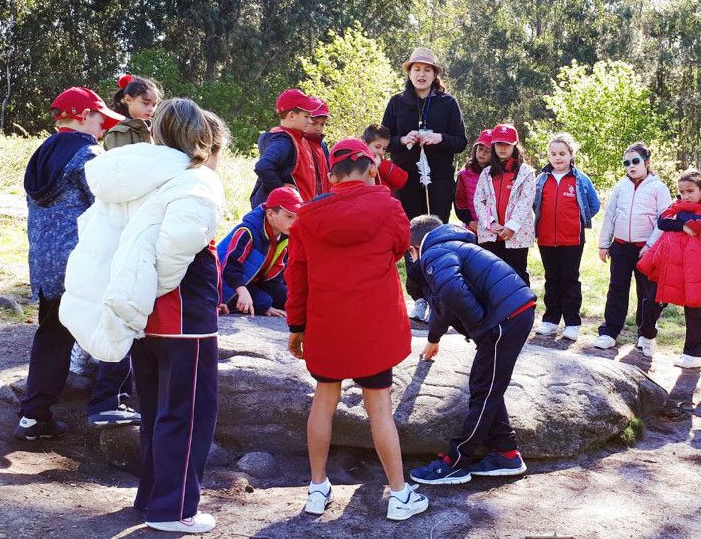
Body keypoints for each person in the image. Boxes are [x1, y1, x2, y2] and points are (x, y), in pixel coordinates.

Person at [67, 99, 229, 533]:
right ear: (204, 140)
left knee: (158, 408)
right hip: (180, 315)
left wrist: (139, 296)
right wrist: (153, 289)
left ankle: (153, 497)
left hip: (143, 314)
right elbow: (176, 247)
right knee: (189, 412)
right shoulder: (197, 182)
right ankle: (174, 511)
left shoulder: (144, 176)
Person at [285, 138, 428, 522]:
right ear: (370, 167)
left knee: (324, 400)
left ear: (331, 175)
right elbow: (399, 247)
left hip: (326, 324)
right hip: (373, 326)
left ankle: (317, 489)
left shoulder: (307, 216)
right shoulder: (388, 205)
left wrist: (296, 325)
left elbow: (296, 274)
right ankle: (399, 495)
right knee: (379, 407)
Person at [17, 86, 138, 441]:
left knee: (53, 335)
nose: (105, 128)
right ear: (84, 116)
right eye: (102, 120)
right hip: (84, 261)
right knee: (117, 320)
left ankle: (33, 418)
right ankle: (108, 402)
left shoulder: (41, 154)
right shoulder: (88, 155)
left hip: (45, 265)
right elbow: (112, 205)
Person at [406, 215, 537, 485]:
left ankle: (457, 461)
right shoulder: (450, 246)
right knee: (486, 385)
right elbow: (445, 304)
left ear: (413, 248)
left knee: (484, 391)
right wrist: (434, 338)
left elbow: (453, 292)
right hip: (514, 313)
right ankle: (506, 452)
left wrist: (479, 323)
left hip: (505, 318)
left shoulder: (434, 253)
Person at [593, 143, 673, 355]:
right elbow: (610, 216)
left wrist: (650, 245)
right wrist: (603, 243)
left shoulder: (658, 188)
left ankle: (645, 334)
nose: (631, 166)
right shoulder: (620, 187)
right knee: (617, 288)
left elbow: (664, 219)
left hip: (647, 250)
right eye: (626, 163)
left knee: (646, 294)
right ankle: (609, 332)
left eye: (635, 161)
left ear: (647, 162)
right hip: (620, 247)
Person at [637, 169, 701, 368]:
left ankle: (693, 353)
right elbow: (663, 222)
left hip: (696, 267)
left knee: (693, 307)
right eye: (682, 192)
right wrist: (682, 226)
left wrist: (680, 220)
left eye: (690, 191)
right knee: (651, 301)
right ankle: (647, 335)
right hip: (668, 263)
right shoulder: (677, 206)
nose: (685, 196)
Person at [380, 47, 468, 222]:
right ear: (409, 73)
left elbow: (461, 142)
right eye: (417, 69)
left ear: (435, 74)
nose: (422, 74)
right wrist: (403, 140)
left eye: (427, 70)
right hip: (405, 180)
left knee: (436, 232)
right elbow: (382, 142)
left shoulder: (448, 102)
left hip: (439, 182)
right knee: (407, 231)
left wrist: (440, 138)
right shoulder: (396, 102)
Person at [532, 133, 601, 341]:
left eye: (562, 153)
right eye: (553, 154)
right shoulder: (542, 179)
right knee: (551, 279)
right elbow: (534, 204)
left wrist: (577, 220)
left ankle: (572, 323)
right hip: (545, 238)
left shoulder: (580, 179)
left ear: (572, 154)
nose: (557, 157)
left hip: (572, 239)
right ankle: (550, 321)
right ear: (548, 156)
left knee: (570, 280)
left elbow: (594, 205)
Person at [216, 186, 302, 318]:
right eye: (289, 216)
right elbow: (229, 268)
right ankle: (235, 304)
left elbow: (276, 275)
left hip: (256, 282)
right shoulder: (247, 231)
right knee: (264, 302)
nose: (294, 222)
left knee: (292, 299)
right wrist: (243, 291)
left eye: (296, 217)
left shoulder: (286, 235)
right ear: (270, 214)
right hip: (230, 283)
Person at [473, 123, 537, 286]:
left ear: (515, 145)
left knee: (517, 273)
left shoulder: (526, 172)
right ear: (493, 145)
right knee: (493, 274)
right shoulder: (486, 173)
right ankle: (497, 310)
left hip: (516, 234)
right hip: (491, 234)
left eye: (507, 144)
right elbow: (479, 200)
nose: (502, 148)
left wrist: (512, 226)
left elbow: (525, 201)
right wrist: (491, 223)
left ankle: (522, 310)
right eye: (499, 144)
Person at [250, 89, 319, 207]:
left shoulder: (297, 138)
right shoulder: (283, 141)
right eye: (306, 116)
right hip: (283, 212)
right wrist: (281, 189)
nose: (310, 121)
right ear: (291, 115)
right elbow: (263, 166)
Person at [103, 74, 162, 149]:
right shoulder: (119, 132)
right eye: (146, 103)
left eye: (154, 105)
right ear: (128, 99)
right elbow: (121, 160)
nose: (151, 109)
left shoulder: (156, 129)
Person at [453, 129, 494, 232]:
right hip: (472, 227)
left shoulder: (497, 174)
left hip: (493, 228)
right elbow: (459, 201)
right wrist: (470, 221)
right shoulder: (464, 175)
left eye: (487, 151)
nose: (482, 153)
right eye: (480, 149)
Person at [363, 123, 409, 195]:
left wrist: (381, 164)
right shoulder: (357, 163)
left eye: (384, 148)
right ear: (365, 144)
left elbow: (401, 180)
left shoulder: (383, 163)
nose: (381, 152)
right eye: (377, 147)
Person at [306, 98, 332, 195]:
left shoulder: (322, 145)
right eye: (314, 123)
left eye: (322, 124)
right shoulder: (297, 143)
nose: (318, 128)